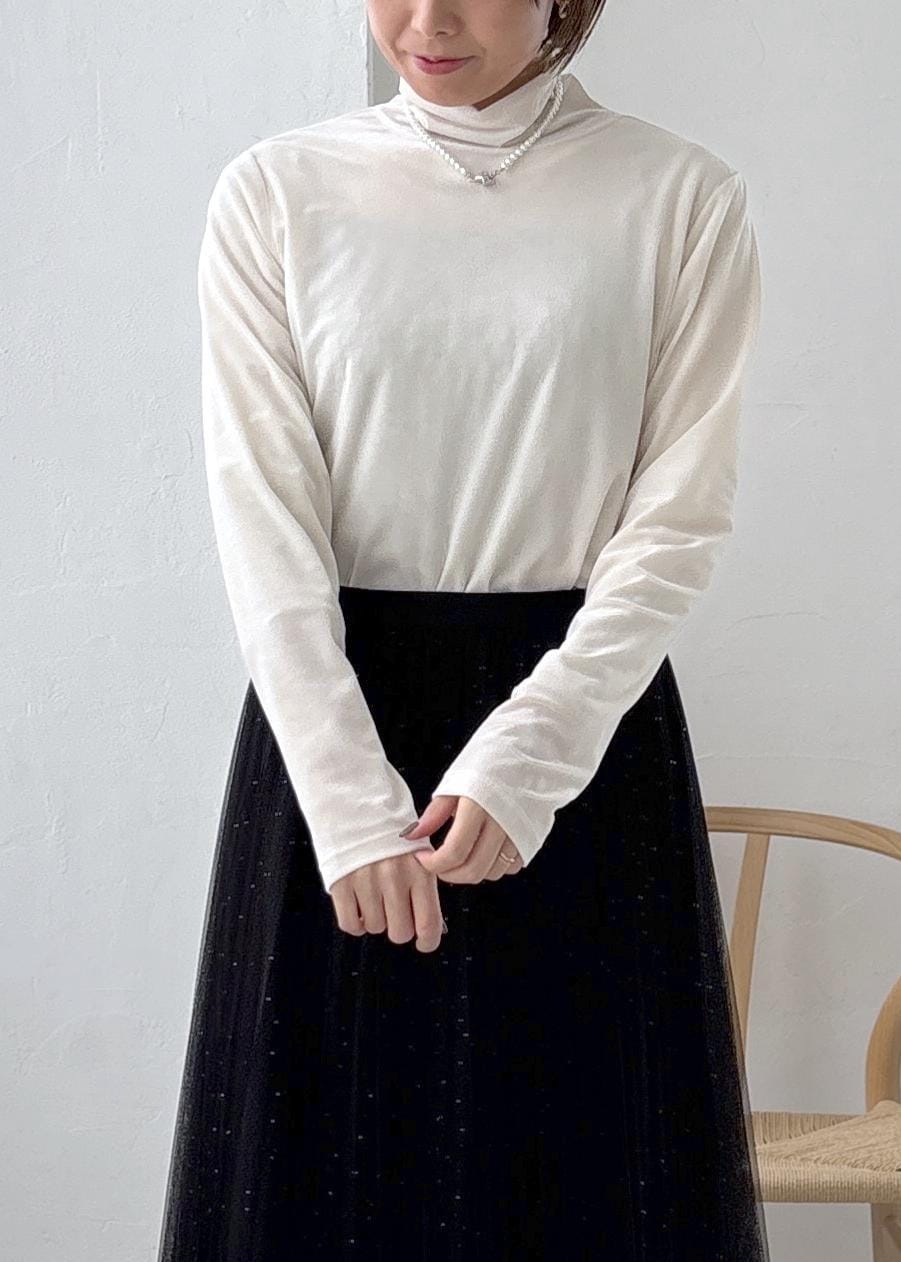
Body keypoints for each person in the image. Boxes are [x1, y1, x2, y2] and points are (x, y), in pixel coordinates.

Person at [157, 0, 769, 1257]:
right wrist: (345, 803)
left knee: (583, 1180)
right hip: (336, 726)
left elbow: (677, 517)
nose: (428, 22)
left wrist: (532, 753)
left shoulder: (680, 197)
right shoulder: (277, 192)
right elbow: (261, 517)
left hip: (578, 729)